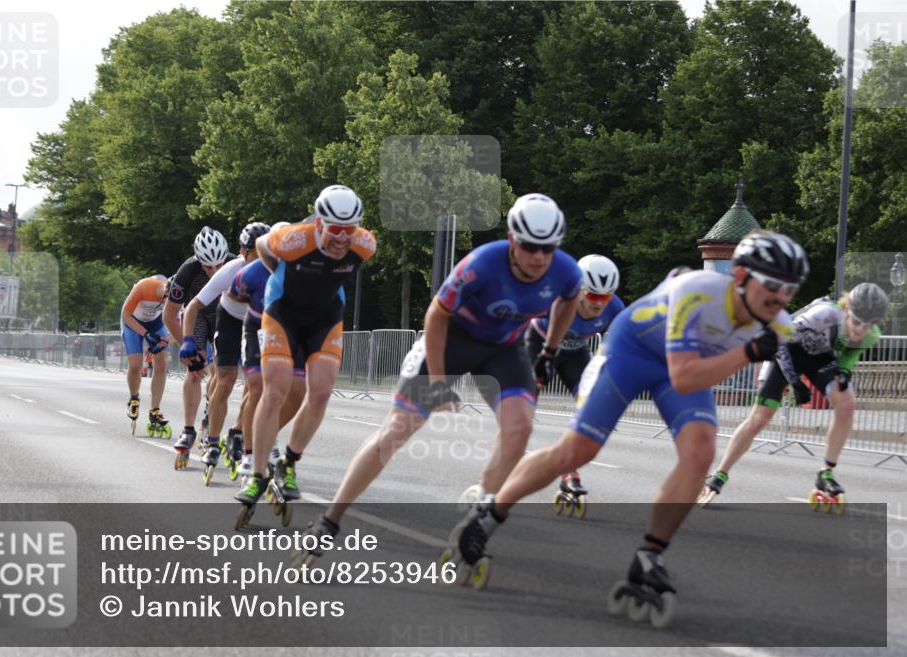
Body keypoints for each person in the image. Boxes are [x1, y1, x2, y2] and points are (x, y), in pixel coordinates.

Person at [446, 231, 807, 624]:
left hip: (679, 369)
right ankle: (488, 516)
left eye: (789, 290)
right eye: (771, 285)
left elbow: (788, 356)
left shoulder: (780, 322)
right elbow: (686, 377)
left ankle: (649, 555)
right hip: (631, 352)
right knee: (577, 451)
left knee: (700, 453)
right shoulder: (698, 292)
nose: (780, 298)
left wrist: (808, 380)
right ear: (739, 275)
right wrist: (749, 352)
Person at [294, 193, 583, 557]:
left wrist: (548, 352)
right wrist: (438, 382)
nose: (539, 257)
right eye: (529, 246)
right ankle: (330, 519)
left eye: (548, 248)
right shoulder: (481, 263)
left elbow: (570, 299)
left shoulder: (567, 271)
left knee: (520, 428)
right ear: (512, 240)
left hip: (503, 350)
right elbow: (436, 316)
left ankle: (479, 515)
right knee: (397, 431)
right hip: (451, 340)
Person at [234, 185, 376, 526]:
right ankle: (256, 473)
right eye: (335, 229)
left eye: (350, 229)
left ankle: (289, 462)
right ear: (319, 223)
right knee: (276, 390)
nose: (343, 238)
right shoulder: (293, 239)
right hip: (282, 313)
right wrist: (281, 276)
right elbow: (261, 247)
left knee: (322, 392)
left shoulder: (365, 243)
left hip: (325, 318)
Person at [701, 281, 888, 508]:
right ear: (847, 308)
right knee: (760, 418)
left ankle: (826, 472)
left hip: (819, 357)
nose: (860, 330)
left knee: (847, 402)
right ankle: (719, 475)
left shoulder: (871, 334)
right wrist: (794, 382)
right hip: (787, 352)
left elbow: (850, 352)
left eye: (868, 325)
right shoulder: (824, 314)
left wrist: (846, 371)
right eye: (857, 321)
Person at [524, 254, 625, 511]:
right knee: (521, 417)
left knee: (588, 410)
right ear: (579, 290)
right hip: (538, 347)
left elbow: (626, 343)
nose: (599, 304)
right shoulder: (555, 300)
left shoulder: (616, 308)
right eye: (593, 296)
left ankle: (570, 472)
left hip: (574, 355)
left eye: (606, 296)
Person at [179, 222, 265, 479]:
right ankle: (213, 442)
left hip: (258, 323)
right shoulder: (231, 270)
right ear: (243, 250)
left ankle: (237, 431)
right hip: (229, 319)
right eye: (255, 252)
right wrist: (187, 340)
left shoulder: (277, 268)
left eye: (266, 251)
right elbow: (194, 306)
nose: (261, 259)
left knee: (256, 383)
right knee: (225, 380)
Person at [228, 222, 307, 485]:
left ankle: (267, 433)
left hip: (292, 329)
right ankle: (250, 455)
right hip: (257, 327)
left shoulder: (306, 270)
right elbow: (233, 298)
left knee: (298, 391)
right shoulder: (249, 273)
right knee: (258, 387)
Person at [165, 227, 235, 467]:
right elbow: (169, 315)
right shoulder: (188, 270)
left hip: (225, 316)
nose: (214, 271)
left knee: (220, 372)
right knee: (194, 372)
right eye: (207, 267)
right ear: (198, 260)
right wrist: (189, 350)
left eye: (218, 266)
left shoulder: (237, 264)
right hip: (196, 316)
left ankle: (209, 418)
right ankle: (188, 429)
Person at [120, 274, 172, 437]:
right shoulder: (144, 287)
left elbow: (181, 325)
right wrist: (146, 334)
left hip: (156, 323)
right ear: (165, 292)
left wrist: (165, 342)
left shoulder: (177, 296)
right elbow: (125, 315)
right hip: (132, 322)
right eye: (169, 301)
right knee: (136, 364)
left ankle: (155, 409)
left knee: (162, 361)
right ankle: (134, 398)